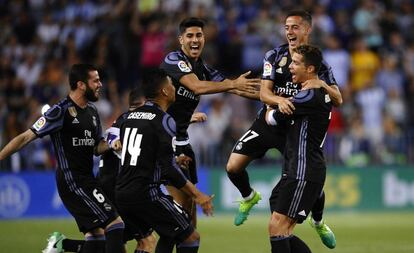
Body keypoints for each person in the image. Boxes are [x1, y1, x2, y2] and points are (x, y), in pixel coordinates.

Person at [226, 10, 340, 249]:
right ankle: (248, 197)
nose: (289, 32)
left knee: (301, 190)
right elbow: (264, 93)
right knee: (233, 167)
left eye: (295, 27)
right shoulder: (274, 55)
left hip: (292, 124)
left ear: (307, 30)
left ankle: (318, 221)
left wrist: (321, 84)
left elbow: (338, 97)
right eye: (286, 27)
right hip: (278, 115)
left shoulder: (317, 69)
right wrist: (279, 101)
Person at [158, 17, 260, 252]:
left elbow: (233, 86)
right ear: (181, 39)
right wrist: (233, 84)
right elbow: (197, 87)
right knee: (178, 220)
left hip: (183, 143)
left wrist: (273, 99)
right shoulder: (174, 60)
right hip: (165, 144)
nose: (195, 40)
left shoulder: (201, 66)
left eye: (199, 36)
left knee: (189, 219)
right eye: (190, 36)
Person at [0, 64, 125, 253]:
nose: (100, 84)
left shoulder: (92, 111)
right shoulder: (60, 111)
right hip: (72, 181)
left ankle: (61, 245)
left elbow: (96, 148)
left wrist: (111, 144)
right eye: (96, 80)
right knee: (116, 224)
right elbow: (26, 136)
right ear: (81, 85)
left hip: (87, 178)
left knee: (97, 240)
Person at [115, 69, 214, 253]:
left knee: (157, 238)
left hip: (122, 193)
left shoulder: (129, 117)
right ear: (165, 92)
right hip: (145, 194)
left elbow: (143, 156)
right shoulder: (164, 119)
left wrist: (174, 159)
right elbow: (168, 169)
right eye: (171, 84)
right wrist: (197, 195)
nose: (174, 87)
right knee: (191, 237)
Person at [266, 44, 333, 253]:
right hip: (299, 169)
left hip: (304, 171)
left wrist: (270, 105)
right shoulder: (318, 92)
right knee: (281, 226)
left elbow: (271, 120)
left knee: (278, 227)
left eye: (295, 63)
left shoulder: (307, 97)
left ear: (310, 69)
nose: (291, 68)